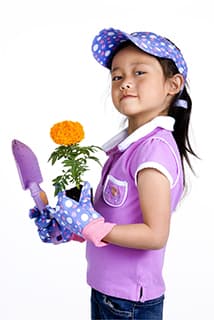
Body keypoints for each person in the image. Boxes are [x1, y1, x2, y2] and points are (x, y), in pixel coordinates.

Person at [30, 28, 198, 319]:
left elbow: (155, 234)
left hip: (128, 302)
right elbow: (113, 217)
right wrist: (71, 226)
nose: (125, 83)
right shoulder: (124, 149)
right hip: (108, 291)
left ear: (173, 84)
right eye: (117, 76)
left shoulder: (153, 152)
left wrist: (93, 227)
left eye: (140, 73)